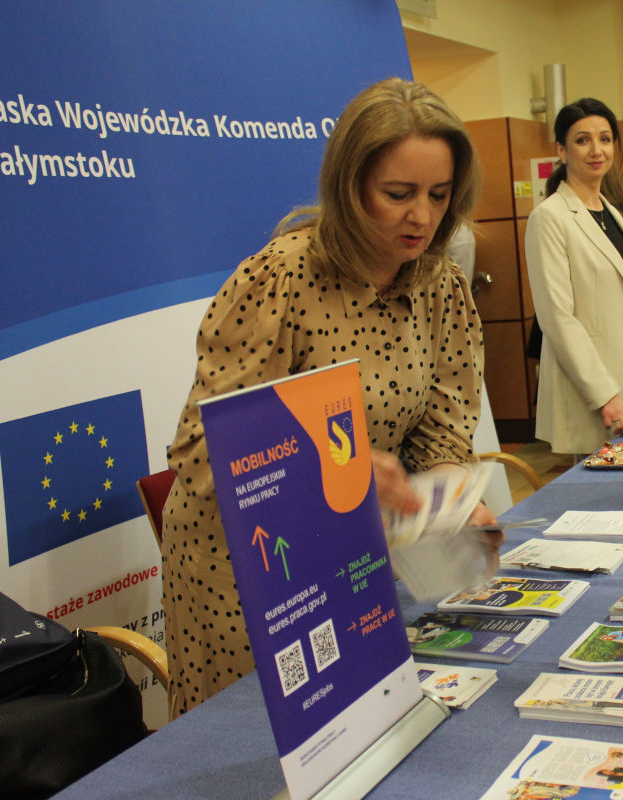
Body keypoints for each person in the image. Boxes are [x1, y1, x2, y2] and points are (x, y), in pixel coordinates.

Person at [160, 78, 499, 718]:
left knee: (353, 732)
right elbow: (203, 452)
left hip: (347, 552)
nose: (421, 217)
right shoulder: (281, 279)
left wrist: (450, 495)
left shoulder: (441, 284)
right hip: (246, 570)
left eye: (438, 195)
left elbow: (444, 424)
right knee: (252, 747)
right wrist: (335, 467)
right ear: (349, 186)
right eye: (397, 195)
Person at [525, 98, 623, 455]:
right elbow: (557, 317)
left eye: (605, 139)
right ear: (561, 151)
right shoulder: (550, 217)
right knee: (600, 500)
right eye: (583, 140)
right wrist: (605, 395)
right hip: (594, 391)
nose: (597, 150)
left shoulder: (611, 211)